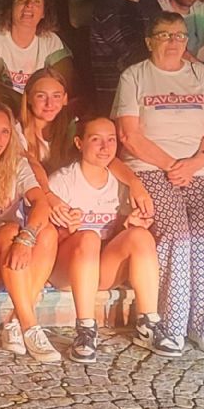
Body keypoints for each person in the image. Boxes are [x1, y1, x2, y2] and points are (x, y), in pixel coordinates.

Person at [113, 11, 204, 357]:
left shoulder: (199, 74)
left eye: (180, 35)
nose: (174, 42)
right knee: (176, 237)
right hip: (151, 168)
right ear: (149, 41)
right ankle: (169, 326)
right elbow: (129, 135)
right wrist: (171, 166)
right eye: (165, 35)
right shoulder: (134, 76)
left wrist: (196, 162)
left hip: (200, 168)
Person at [47, 118, 158, 362]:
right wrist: (66, 230)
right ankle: (86, 329)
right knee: (89, 237)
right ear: (79, 143)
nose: (105, 147)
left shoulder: (120, 184)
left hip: (101, 270)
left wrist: (129, 225)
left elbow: (117, 234)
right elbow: (45, 238)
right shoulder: (62, 181)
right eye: (96, 139)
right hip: (67, 271)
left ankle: (148, 323)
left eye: (111, 140)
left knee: (140, 236)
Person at [0, 101, 62, 363]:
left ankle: (16, 321)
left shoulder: (16, 164)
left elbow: (41, 203)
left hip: (14, 258)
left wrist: (27, 238)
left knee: (48, 233)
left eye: (5, 132)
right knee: (9, 231)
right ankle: (30, 326)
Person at [0, 0, 73, 104]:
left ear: (44, 12)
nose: (29, 5)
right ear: (10, 7)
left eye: (37, 1)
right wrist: (25, 105)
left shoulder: (51, 41)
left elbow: (65, 86)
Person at [87, 0, 157, 110]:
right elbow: (137, 56)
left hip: (152, 95)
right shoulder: (107, 9)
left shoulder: (150, 3)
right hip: (119, 103)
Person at [16, 67, 75, 178]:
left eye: (56, 96)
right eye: (41, 96)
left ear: (65, 99)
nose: (49, 104)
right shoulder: (16, 131)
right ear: (28, 98)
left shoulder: (74, 128)